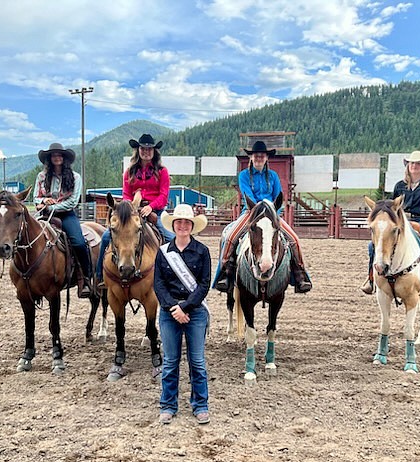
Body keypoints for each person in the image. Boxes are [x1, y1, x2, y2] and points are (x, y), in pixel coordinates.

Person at [214, 140, 312, 294]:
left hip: (272, 214)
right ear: (251, 157)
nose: (259, 158)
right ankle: (225, 272)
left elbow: (278, 196)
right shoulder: (244, 175)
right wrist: (259, 210)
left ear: (266, 158)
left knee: (294, 239)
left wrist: (273, 213)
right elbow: (247, 195)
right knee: (230, 237)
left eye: (262, 155)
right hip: (251, 212)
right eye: (256, 155)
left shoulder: (273, 176)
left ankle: (300, 274)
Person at [153, 204, 211, 425]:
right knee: (170, 362)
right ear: (174, 225)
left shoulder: (202, 251)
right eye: (179, 222)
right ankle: (168, 405)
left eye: (187, 222)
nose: (183, 226)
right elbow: (158, 284)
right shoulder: (163, 252)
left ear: (192, 226)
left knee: (197, 361)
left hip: (194, 312)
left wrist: (185, 307)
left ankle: (201, 405)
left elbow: (204, 285)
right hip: (170, 312)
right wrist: (172, 308)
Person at [361, 150, 420, 299]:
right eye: (412, 163)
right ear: (408, 165)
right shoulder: (399, 186)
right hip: (401, 221)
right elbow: (392, 208)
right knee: (372, 245)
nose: (414, 166)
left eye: (418, 163)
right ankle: (371, 278)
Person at [96, 133, 174, 289]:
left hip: (155, 211)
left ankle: (171, 278)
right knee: (106, 237)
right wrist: (132, 207)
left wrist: (150, 206)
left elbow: (164, 196)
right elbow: (126, 194)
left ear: (154, 151)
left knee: (171, 239)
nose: (146, 152)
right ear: (138, 150)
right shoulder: (129, 171)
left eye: (149, 149)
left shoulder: (162, 171)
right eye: (143, 149)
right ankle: (99, 276)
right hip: (132, 211)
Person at [33, 142, 92, 298]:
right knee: (28, 237)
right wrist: (43, 202)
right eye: (53, 155)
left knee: (79, 242)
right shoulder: (41, 176)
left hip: (66, 215)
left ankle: (85, 278)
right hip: (44, 215)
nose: (56, 157)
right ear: (49, 158)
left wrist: (50, 207)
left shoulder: (75, 177)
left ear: (64, 158)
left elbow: (73, 201)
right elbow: (36, 197)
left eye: (59, 155)